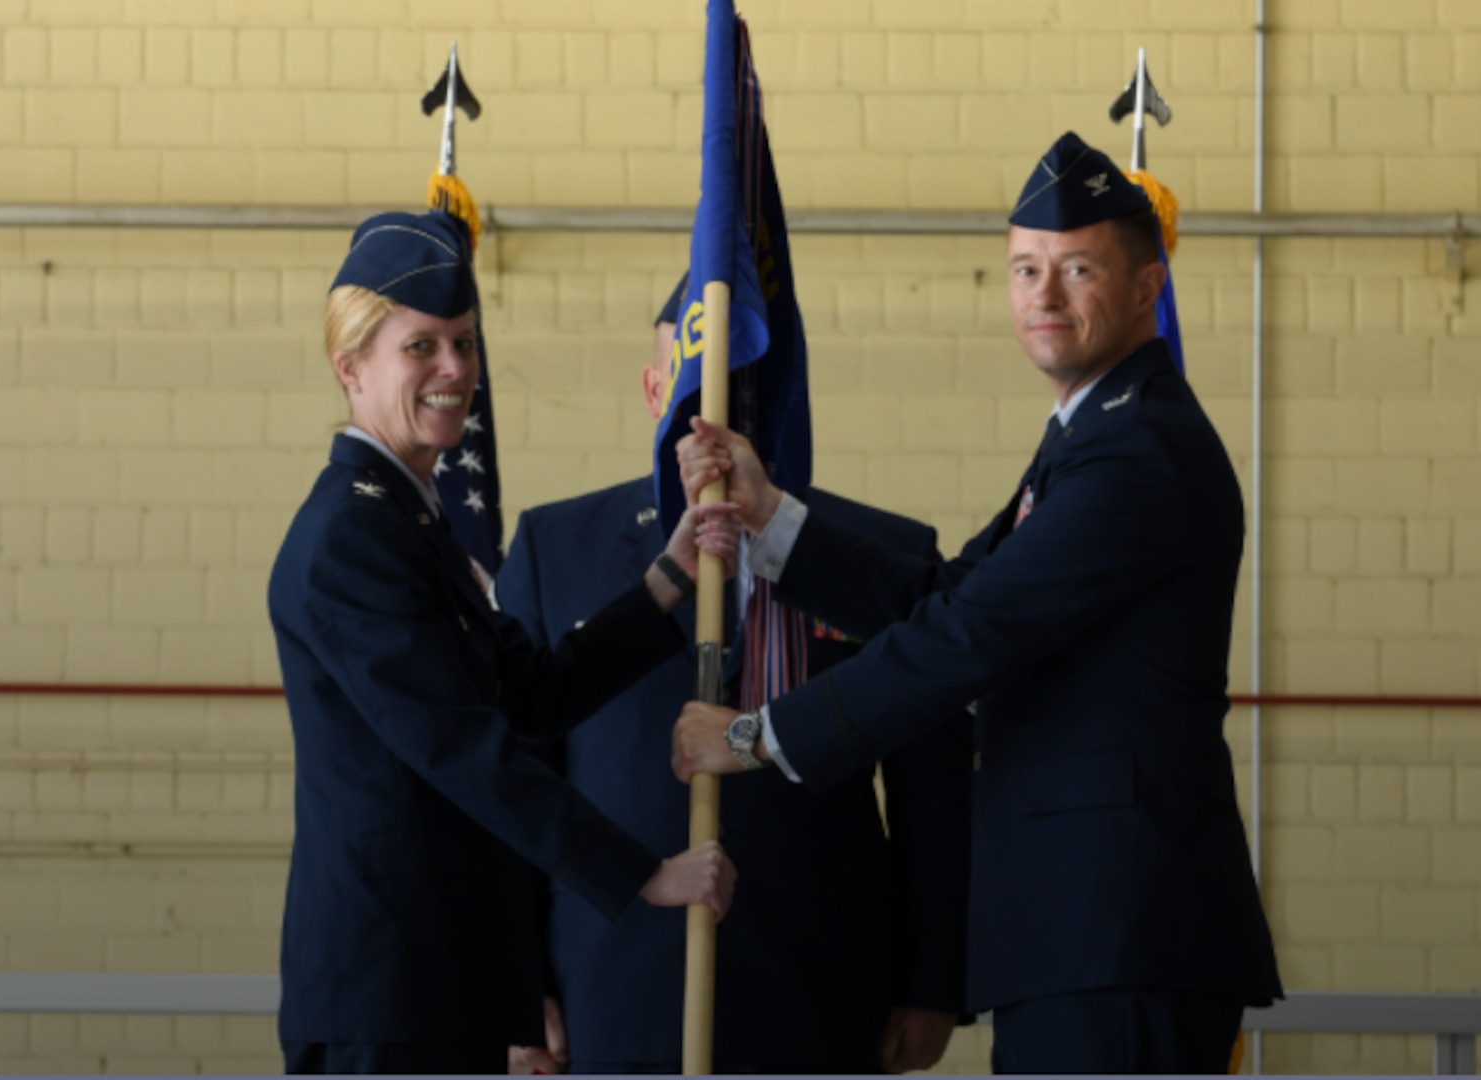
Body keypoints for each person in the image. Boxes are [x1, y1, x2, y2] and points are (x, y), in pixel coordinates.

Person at [671, 132, 1283, 1074]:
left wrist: (760, 736)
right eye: (1025, 268)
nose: (1043, 295)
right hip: (1079, 933)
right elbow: (957, 592)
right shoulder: (1091, 437)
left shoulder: (1139, 450)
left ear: (1147, 287)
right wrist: (773, 517)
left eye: (1077, 269)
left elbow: (967, 635)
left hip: (1116, 933)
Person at [267, 209, 741, 1076]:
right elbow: (462, 746)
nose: (455, 370)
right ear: (351, 367)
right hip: (391, 988)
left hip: (438, 982)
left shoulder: (410, 524)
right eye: (422, 347)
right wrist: (641, 874)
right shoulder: (352, 536)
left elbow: (528, 694)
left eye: (465, 343)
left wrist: (665, 581)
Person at [495, 278, 972, 1074]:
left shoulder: (883, 555)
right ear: (654, 391)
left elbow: (936, 793)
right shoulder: (555, 549)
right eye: (691, 387)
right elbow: (512, 779)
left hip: (822, 989)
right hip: (608, 991)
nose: (715, 416)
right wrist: (513, 986)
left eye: (744, 385)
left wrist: (933, 983)